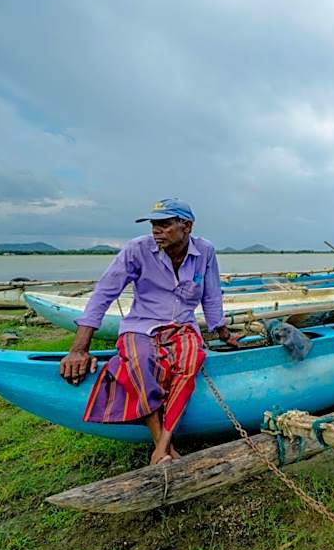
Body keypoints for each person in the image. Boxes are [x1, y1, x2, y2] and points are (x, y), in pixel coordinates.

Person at [59, 198, 238, 464]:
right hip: (141, 325)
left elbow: (211, 296)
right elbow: (103, 295)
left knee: (190, 361)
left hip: (183, 326)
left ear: (186, 226)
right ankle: (162, 446)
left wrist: (223, 334)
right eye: (154, 224)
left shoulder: (205, 251)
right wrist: (78, 349)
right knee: (140, 362)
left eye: (164, 225)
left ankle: (163, 444)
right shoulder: (137, 249)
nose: (156, 231)